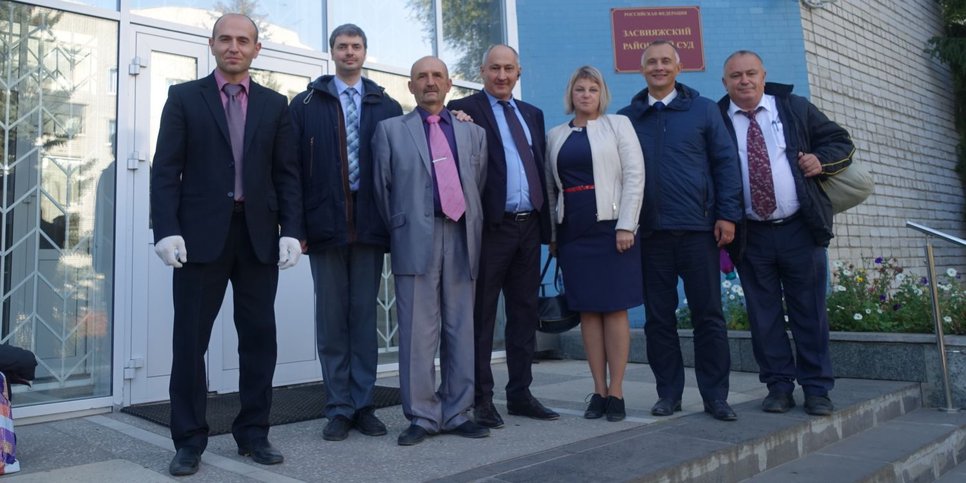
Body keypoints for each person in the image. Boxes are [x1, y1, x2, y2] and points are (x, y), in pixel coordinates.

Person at [150, 13, 303, 476]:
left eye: (243, 40)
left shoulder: (275, 105)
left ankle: (254, 433)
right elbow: (165, 169)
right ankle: (188, 440)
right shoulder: (183, 97)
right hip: (199, 238)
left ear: (257, 49)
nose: (234, 47)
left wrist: (292, 230)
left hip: (257, 237)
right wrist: (165, 229)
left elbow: (287, 174)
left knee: (258, 340)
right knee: (189, 341)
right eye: (225, 39)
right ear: (212, 44)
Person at [718, 50, 853, 416]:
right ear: (725, 82)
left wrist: (821, 160)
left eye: (751, 73)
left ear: (763, 76)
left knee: (809, 312)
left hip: (799, 228)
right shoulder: (716, 119)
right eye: (736, 76)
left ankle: (817, 389)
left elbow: (840, 141)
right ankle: (778, 387)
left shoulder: (794, 107)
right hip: (751, 235)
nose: (744, 80)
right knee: (763, 317)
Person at [617, 40, 743, 421]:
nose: (658, 67)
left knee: (709, 316)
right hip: (651, 235)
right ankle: (668, 394)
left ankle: (715, 396)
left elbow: (725, 163)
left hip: (698, 231)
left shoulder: (704, 110)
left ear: (678, 67)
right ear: (642, 69)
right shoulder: (627, 118)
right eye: (651, 62)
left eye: (665, 61)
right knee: (659, 320)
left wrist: (727, 215)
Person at [289, 24, 403, 442]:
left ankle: (364, 405)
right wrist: (296, 227)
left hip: (371, 226)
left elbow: (401, 170)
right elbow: (291, 170)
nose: (349, 52)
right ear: (332, 52)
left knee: (363, 319)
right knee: (332, 322)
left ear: (365, 52)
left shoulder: (387, 105)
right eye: (342, 46)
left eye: (356, 46)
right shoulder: (306, 103)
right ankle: (338, 407)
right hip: (325, 226)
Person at [372, 56, 489, 446]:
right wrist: (402, 227)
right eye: (421, 76)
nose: (430, 82)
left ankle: (457, 412)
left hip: (461, 235)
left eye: (437, 75)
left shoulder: (473, 133)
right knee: (417, 332)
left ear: (449, 84)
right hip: (414, 237)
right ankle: (422, 416)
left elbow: (478, 181)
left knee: (460, 328)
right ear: (410, 86)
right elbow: (382, 188)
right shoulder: (391, 130)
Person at [446, 44, 558, 428]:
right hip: (491, 228)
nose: (502, 75)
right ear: (482, 71)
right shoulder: (463, 110)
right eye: (494, 68)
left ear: (518, 72)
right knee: (482, 315)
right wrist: (452, 120)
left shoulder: (532, 114)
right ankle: (481, 398)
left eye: (509, 68)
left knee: (524, 314)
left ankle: (521, 394)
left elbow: (540, 167)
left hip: (529, 226)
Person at [545, 66, 644, 422]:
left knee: (615, 309)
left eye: (592, 89)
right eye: (580, 89)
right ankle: (598, 392)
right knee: (587, 311)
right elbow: (551, 190)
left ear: (602, 94)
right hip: (573, 232)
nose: (586, 95)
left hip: (612, 229)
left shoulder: (618, 125)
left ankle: (616, 392)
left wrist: (626, 225)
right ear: (571, 95)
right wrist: (553, 236)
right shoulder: (555, 135)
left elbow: (634, 175)